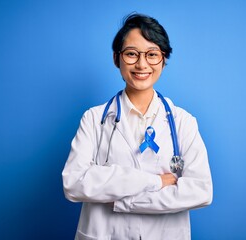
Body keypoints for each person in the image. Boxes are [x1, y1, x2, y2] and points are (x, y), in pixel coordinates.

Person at [62, 13, 213, 240]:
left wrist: (125, 199)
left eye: (152, 54)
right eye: (132, 54)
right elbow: (74, 184)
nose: (142, 64)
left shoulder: (183, 122)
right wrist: (154, 182)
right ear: (116, 58)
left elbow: (201, 191)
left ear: (163, 60)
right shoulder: (94, 119)